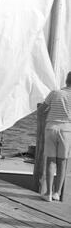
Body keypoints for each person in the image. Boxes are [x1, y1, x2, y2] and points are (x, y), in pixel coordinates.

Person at [41, 71, 71, 202]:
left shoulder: (55, 93)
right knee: (62, 162)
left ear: (66, 80)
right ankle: (57, 193)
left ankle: (48, 193)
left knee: (51, 161)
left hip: (51, 127)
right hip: (66, 129)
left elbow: (42, 109)